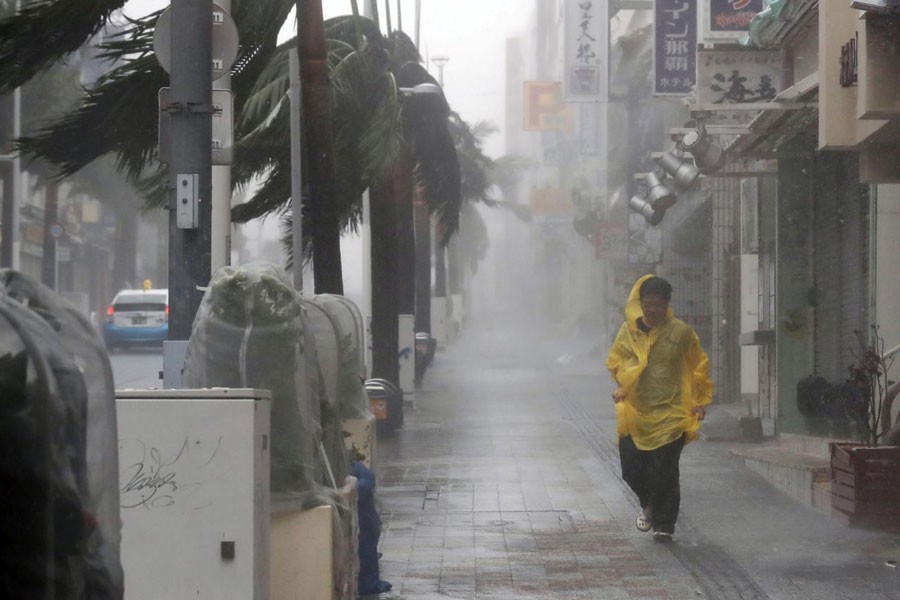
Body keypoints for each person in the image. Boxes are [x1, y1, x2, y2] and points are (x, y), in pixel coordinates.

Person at [605, 275, 713, 543]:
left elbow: (698, 366)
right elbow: (616, 361)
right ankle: (650, 505)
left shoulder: (681, 333)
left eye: (657, 304)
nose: (652, 309)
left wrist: (699, 401)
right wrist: (625, 379)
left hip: (673, 411)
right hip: (637, 411)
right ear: (640, 304)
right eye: (647, 304)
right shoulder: (628, 332)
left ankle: (665, 524)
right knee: (631, 466)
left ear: (667, 305)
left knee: (665, 469)